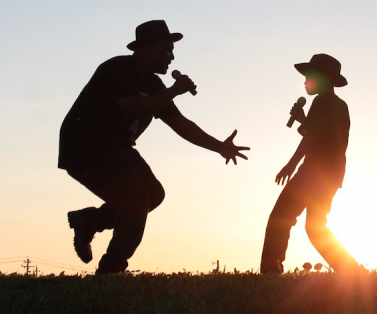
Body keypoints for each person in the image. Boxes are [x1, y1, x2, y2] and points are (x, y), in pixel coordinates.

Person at [59, 20, 249, 274]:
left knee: (153, 194)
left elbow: (180, 124)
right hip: (85, 145)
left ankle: (89, 220)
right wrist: (173, 91)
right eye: (166, 50)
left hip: (117, 147)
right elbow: (132, 107)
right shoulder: (117, 69)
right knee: (136, 197)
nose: (171, 57)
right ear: (147, 49)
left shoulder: (154, 86)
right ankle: (111, 271)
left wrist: (219, 147)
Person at [260, 54, 358, 274]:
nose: (305, 81)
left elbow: (311, 137)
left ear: (323, 79)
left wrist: (291, 165)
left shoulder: (322, 101)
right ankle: (350, 270)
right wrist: (303, 120)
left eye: (309, 76)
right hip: (332, 174)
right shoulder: (338, 105)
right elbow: (325, 136)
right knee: (315, 226)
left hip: (314, 172)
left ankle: (270, 269)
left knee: (280, 216)